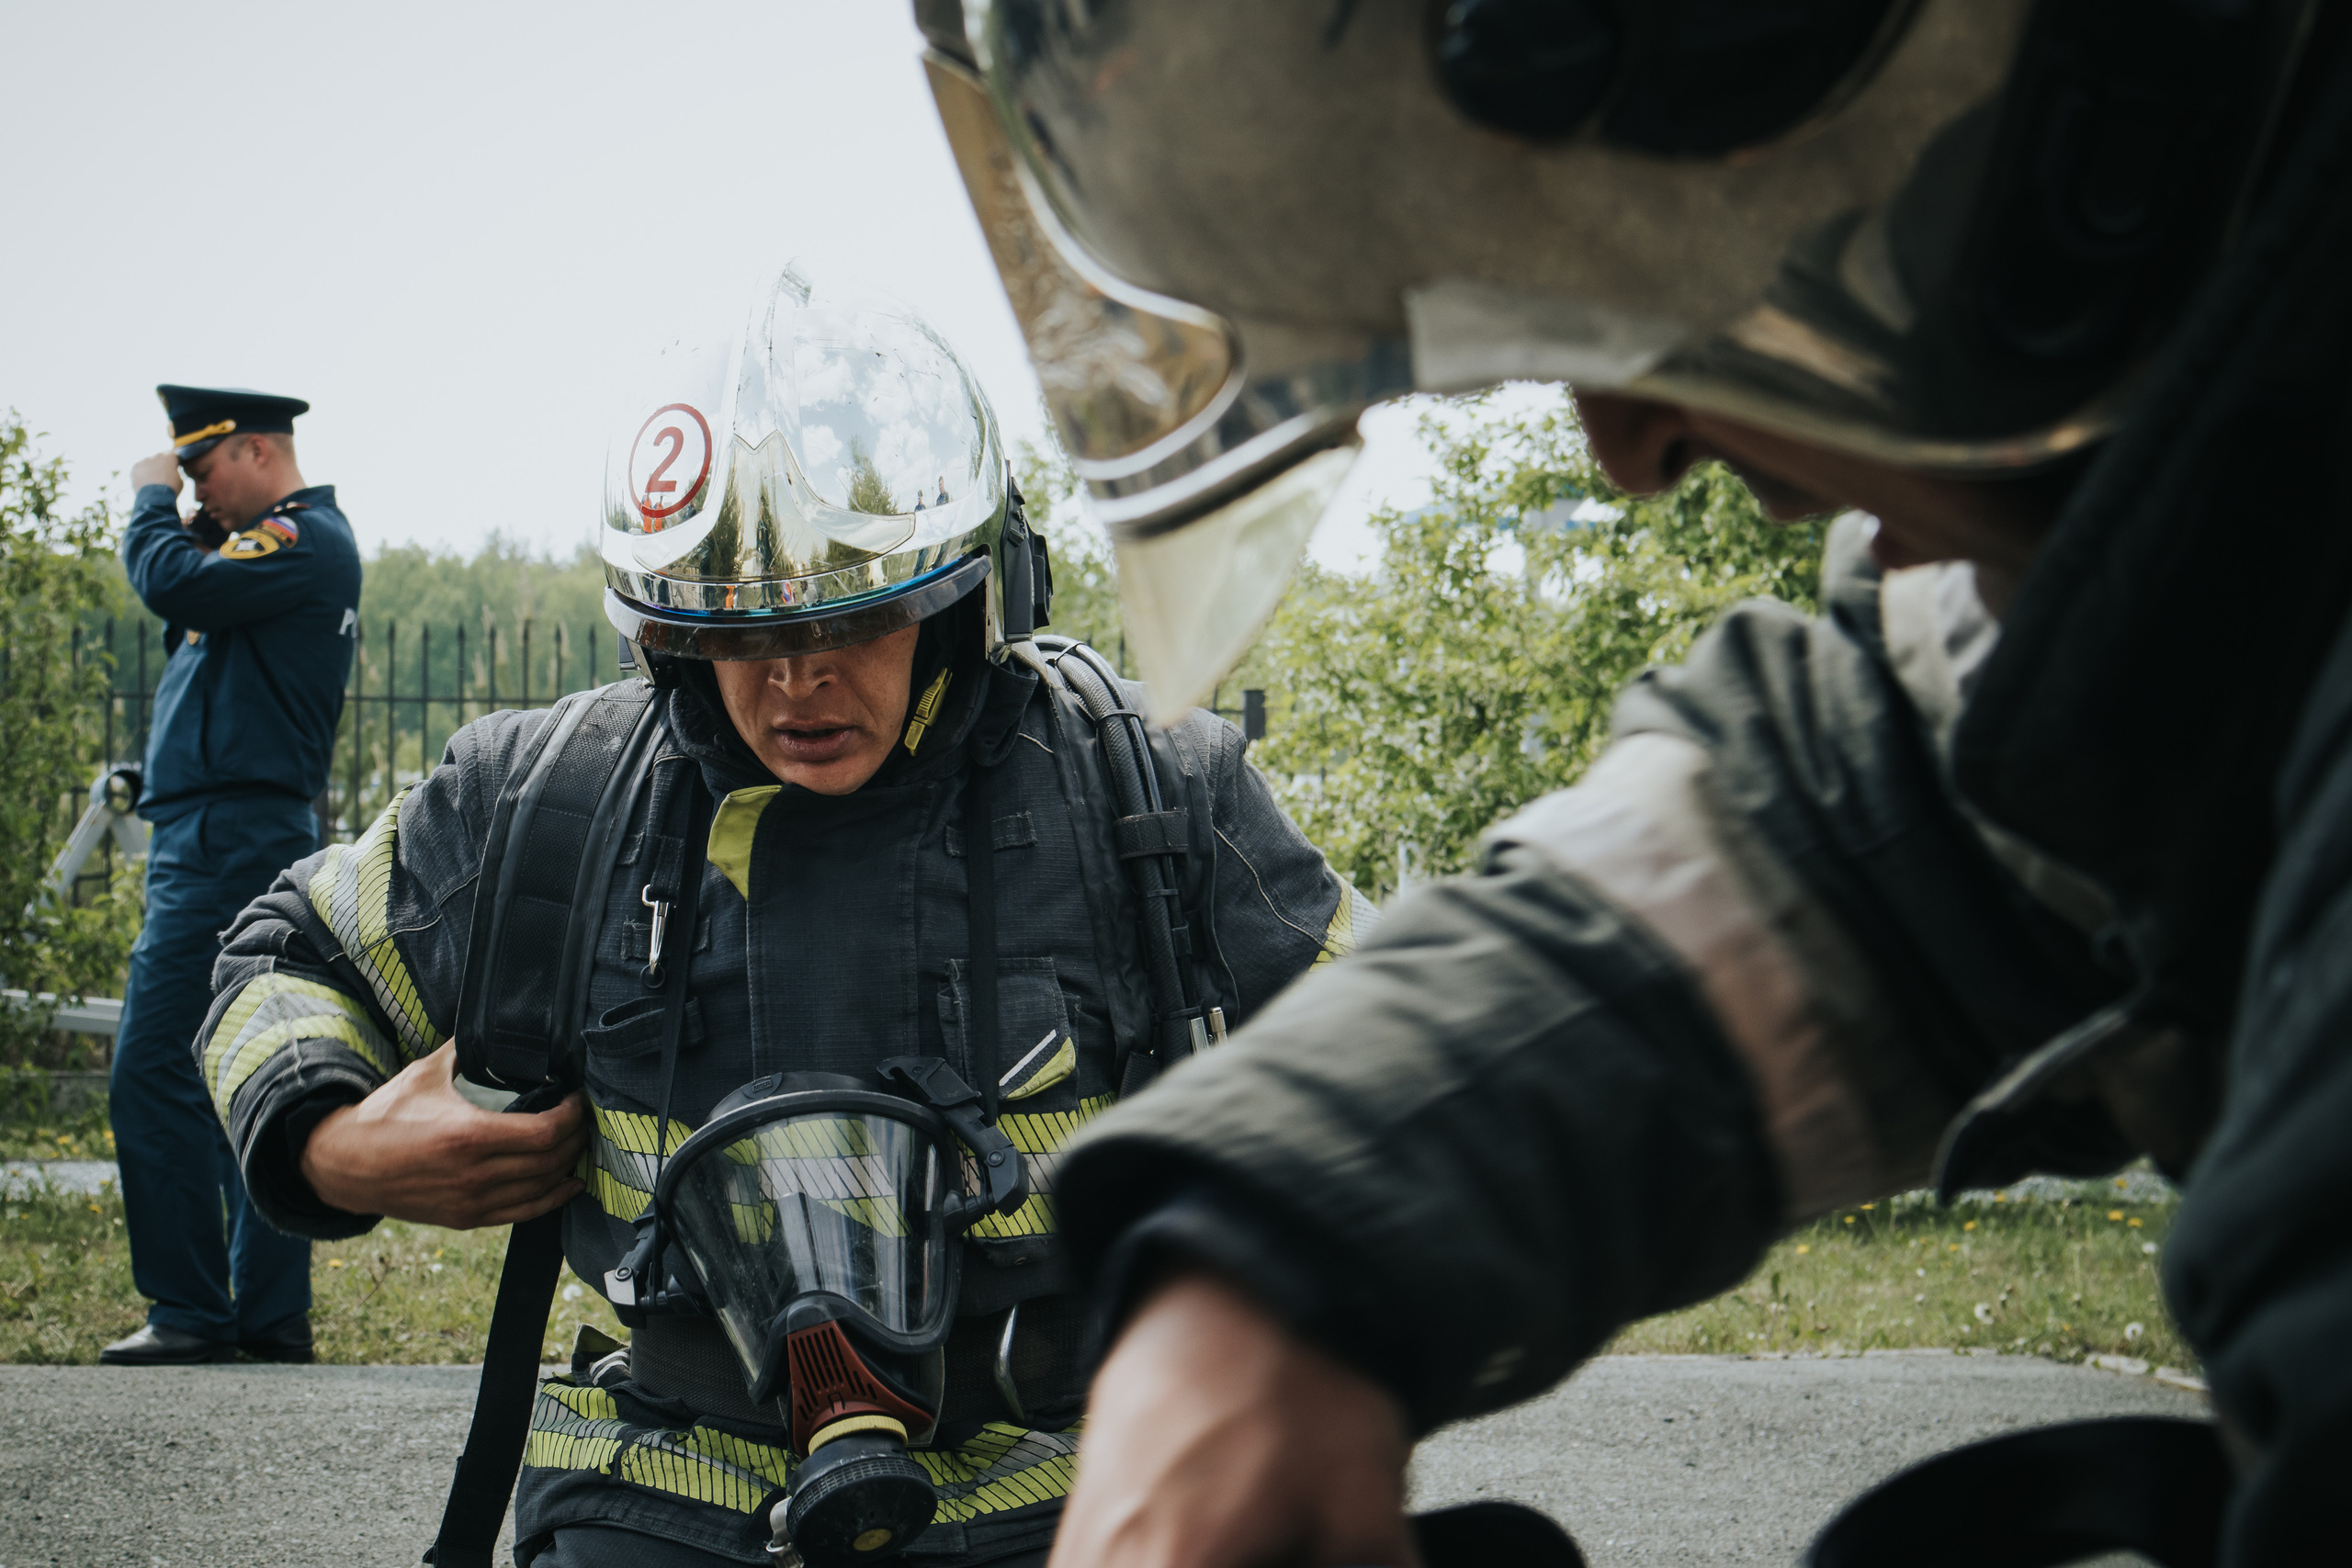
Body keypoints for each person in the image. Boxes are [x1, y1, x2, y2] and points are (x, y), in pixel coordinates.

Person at [910, 3, 2351, 1562]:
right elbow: (1864, 823)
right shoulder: (2192, 587)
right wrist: (1267, 1255)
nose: (1628, 444)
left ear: (2072, 138)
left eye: (1647, 292)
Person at [195, 272, 1371, 1567]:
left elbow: (1381, 1063)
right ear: (663, 631)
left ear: (973, 589)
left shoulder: (1145, 791)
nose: (796, 682)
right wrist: (332, 1145)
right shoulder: (547, 799)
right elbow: (280, 957)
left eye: (856, 618)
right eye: (738, 633)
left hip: (1077, 1482)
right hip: (666, 1483)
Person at [99, 386, 359, 1367]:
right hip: (213, 832)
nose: (195, 488)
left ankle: (193, 1309)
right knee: (234, 1069)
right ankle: (261, 1314)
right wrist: (203, 528)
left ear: (256, 450)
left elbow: (175, 587)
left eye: (204, 470)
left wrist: (150, 503)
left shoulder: (303, 541)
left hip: (230, 839)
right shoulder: (253, 555)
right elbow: (200, 623)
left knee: (154, 1068)